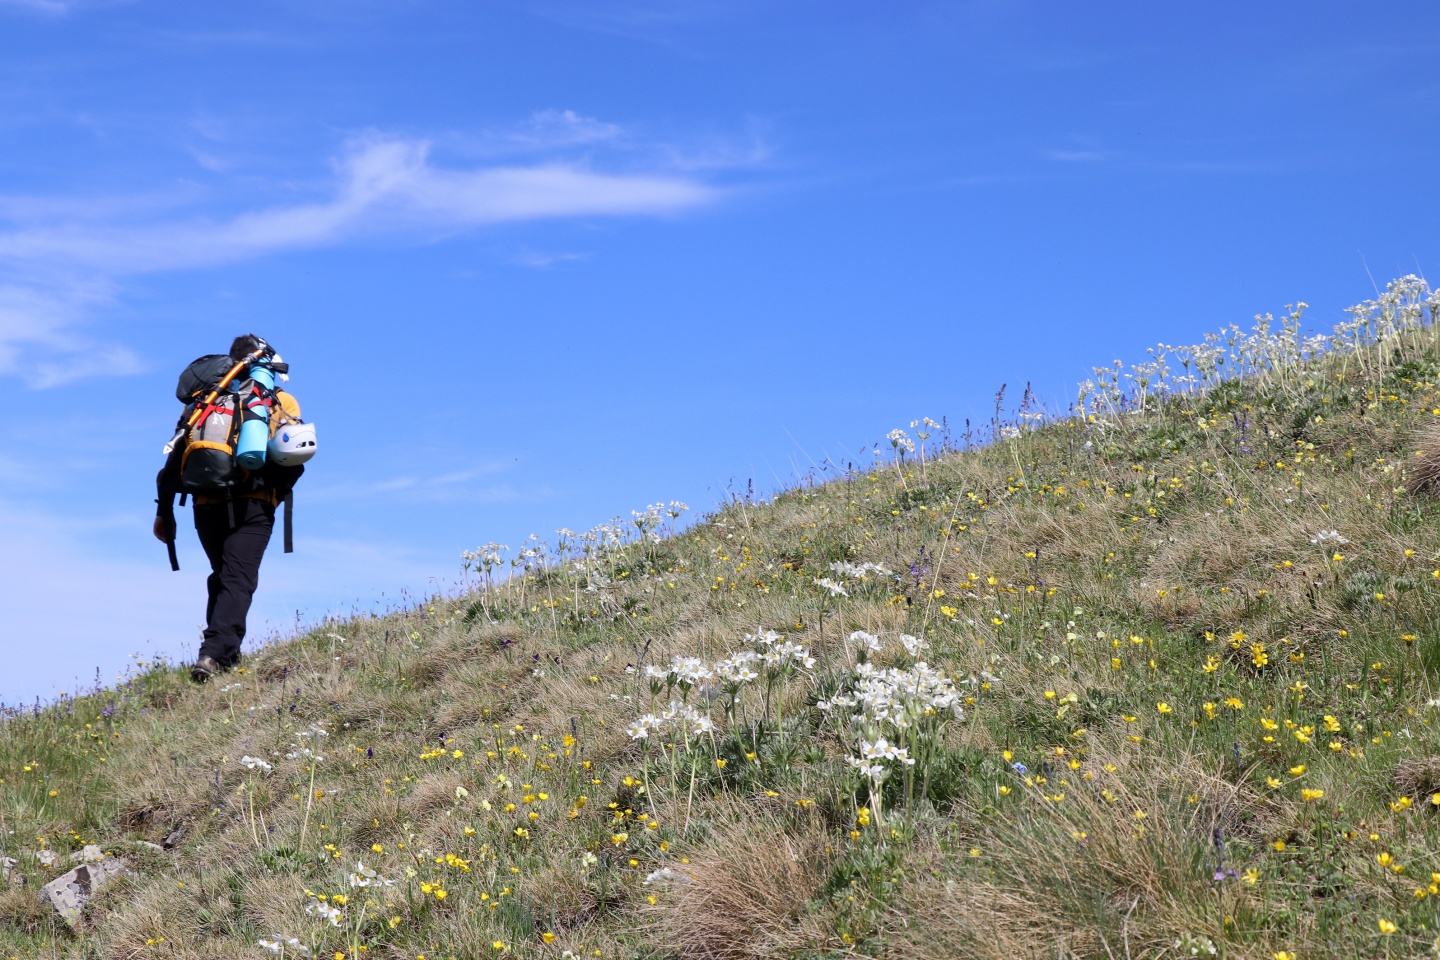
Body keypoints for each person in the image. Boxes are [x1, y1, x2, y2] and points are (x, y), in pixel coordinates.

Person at [153, 334, 307, 682]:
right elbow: (294, 457)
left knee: (224, 575)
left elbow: (173, 464)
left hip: (206, 505)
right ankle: (213, 654)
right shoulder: (279, 401)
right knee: (237, 579)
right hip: (254, 503)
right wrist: (275, 492)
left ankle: (224, 652)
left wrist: (164, 512)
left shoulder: (204, 402)